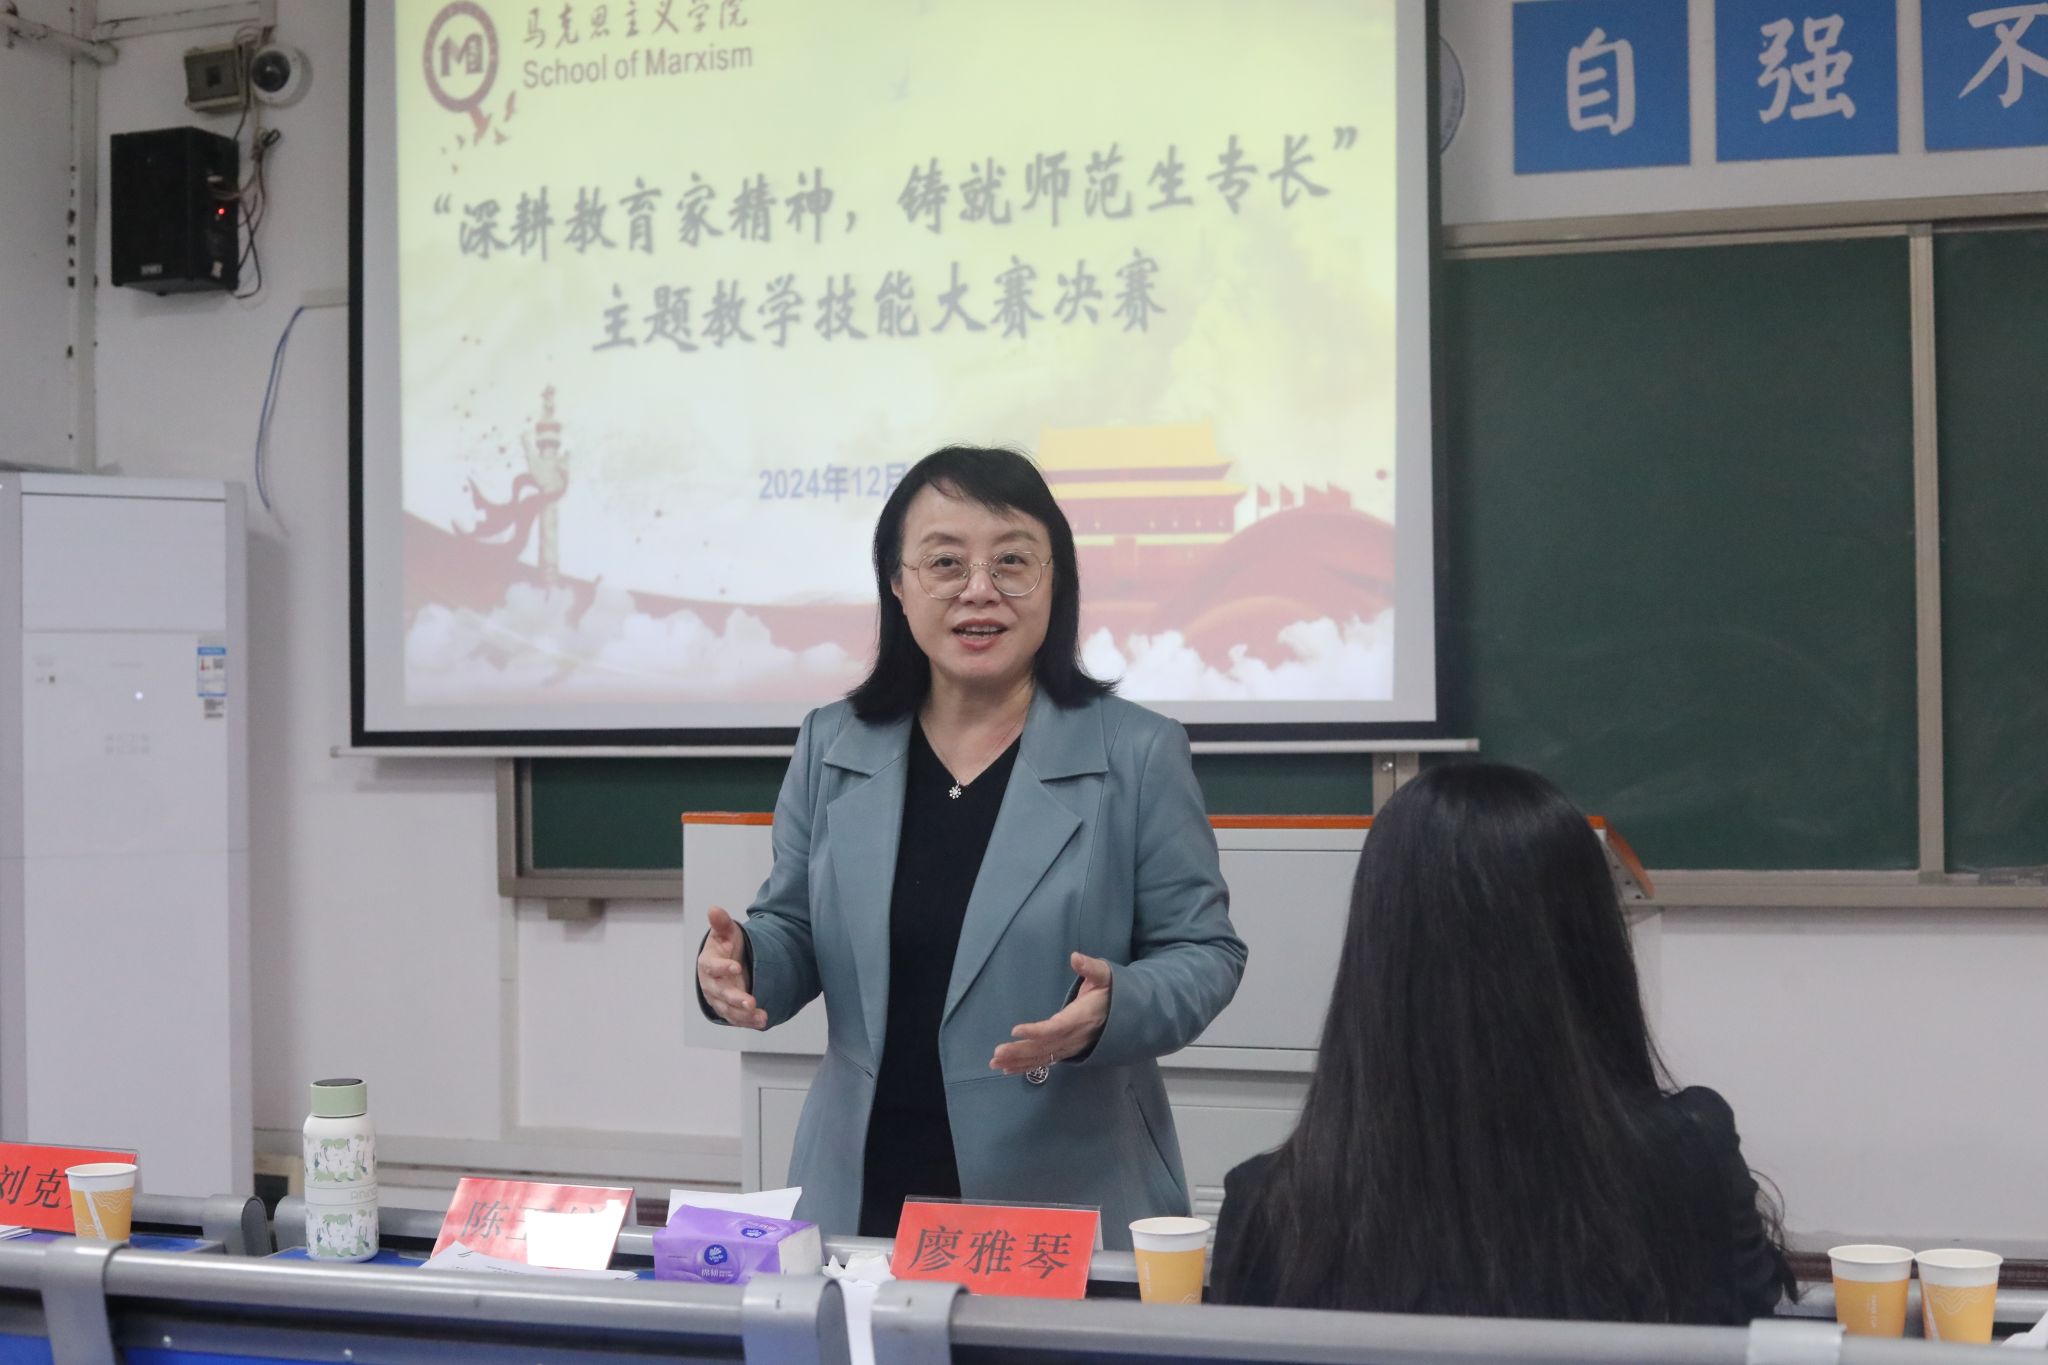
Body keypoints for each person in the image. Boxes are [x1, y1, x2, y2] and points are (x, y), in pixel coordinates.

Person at [696, 445, 1246, 1246]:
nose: (979, 589)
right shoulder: (833, 743)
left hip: (1061, 1185)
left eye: (1012, 562)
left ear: (1055, 581)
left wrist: (1117, 1007)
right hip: (865, 1180)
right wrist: (744, 963)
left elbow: (1205, 952)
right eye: (945, 562)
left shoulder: (1136, 752)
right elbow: (798, 929)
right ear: (897, 583)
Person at [1210, 762, 1794, 1323]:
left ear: (1378, 955)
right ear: (1590, 947)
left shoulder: (1269, 1210)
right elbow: (1748, 1329)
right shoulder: (1691, 1159)